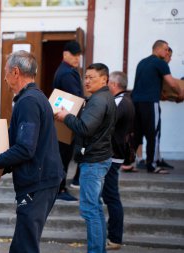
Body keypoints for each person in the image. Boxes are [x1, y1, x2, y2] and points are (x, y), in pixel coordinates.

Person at [0, 50, 65, 253]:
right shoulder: (35, 98)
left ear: (15, 72)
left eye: (6, 72)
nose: (5, 78)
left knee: (24, 246)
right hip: (42, 180)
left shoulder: (28, 102)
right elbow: (18, 145)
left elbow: (24, 149)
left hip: (38, 183)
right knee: (21, 245)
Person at [55, 63, 116, 253]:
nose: (86, 81)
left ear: (104, 79)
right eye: (86, 77)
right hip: (98, 158)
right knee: (95, 208)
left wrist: (66, 117)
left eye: (92, 77)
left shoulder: (98, 100)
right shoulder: (101, 97)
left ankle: (96, 250)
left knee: (90, 210)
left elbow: (85, 127)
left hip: (94, 161)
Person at [131, 40, 183, 174]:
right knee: (153, 134)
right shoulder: (160, 63)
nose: (167, 53)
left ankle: (127, 162)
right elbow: (171, 83)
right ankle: (152, 165)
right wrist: (181, 92)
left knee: (136, 134)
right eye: (165, 50)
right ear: (158, 49)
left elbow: (146, 84)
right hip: (150, 103)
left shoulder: (142, 62)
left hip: (136, 102)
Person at [103, 71, 135, 250]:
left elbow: (107, 124)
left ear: (114, 84)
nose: (106, 86)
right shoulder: (125, 100)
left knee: (111, 197)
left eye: (108, 83)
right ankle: (113, 235)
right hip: (115, 155)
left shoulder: (121, 102)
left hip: (113, 156)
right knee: (109, 196)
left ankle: (115, 238)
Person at [52, 40, 84, 200]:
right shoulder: (67, 73)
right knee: (64, 155)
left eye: (79, 54)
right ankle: (60, 189)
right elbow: (76, 96)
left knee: (63, 154)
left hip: (63, 118)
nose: (77, 57)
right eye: (74, 54)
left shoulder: (64, 70)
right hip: (66, 120)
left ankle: (60, 187)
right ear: (65, 54)